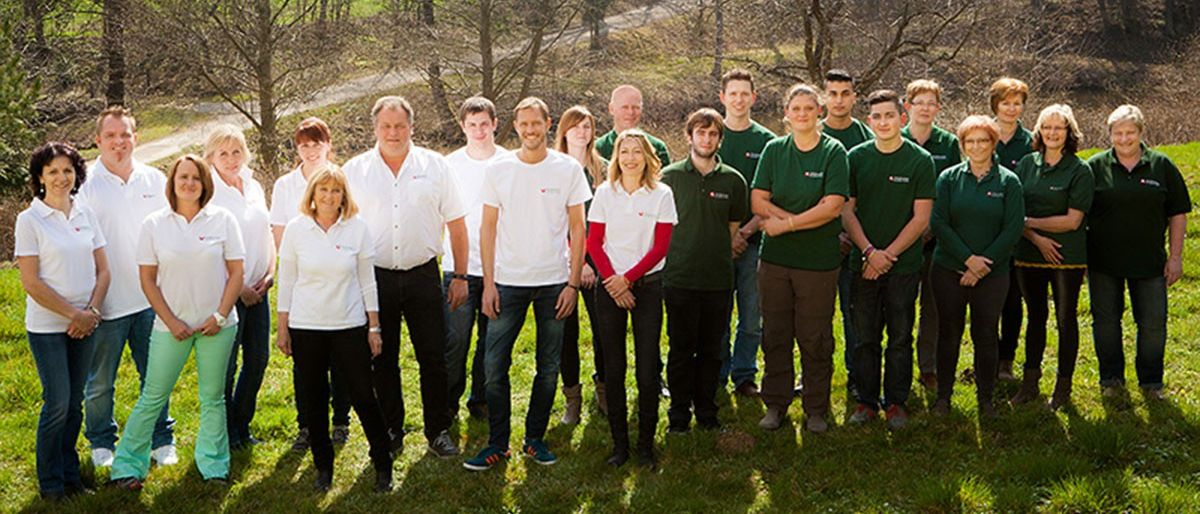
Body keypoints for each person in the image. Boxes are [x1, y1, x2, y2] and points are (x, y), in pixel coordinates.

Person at [464, 97, 590, 471]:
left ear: (548, 124)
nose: (531, 130)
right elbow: (487, 228)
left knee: (548, 366)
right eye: (524, 124)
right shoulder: (499, 170)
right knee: (493, 365)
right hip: (508, 283)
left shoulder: (567, 169)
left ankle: (535, 438)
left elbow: (578, 227)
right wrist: (488, 283)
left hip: (554, 283)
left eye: (537, 123)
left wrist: (572, 283)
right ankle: (498, 443)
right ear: (516, 127)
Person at [109, 155, 245, 489]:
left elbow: (236, 272)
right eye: (182, 177)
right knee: (152, 396)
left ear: (205, 184)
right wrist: (170, 321)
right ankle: (126, 467)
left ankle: (214, 467)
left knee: (213, 397)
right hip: (170, 327)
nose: (189, 183)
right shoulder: (154, 224)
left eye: (196, 178)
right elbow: (148, 280)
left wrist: (219, 316)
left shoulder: (223, 219)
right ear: (172, 183)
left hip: (218, 326)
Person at [344, 96, 464, 458]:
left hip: (424, 274)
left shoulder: (436, 166)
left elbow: (457, 224)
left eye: (400, 126)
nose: (393, 133)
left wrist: (459, 274)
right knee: (383, 357)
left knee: (433, 356)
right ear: (375, 128)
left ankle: (438, 429)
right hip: (375, 277)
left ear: (411, 127)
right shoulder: (355, 170)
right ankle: (392, 429)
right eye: (386, 126)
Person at [275, 166, 394, 493]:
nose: (329, 197)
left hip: (349, 325)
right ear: (312, 194)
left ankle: (383, 462)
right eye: (323, 190)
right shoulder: (297, 230)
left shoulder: (357, 229)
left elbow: (367, 280)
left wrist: (374, 326)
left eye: (336, 190)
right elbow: (286, 281)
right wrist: (282, 327)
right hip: (306, 326)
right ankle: (323, 467)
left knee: (362, 396)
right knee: (314, 400)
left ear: (344, 196)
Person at [77, 106, 176, 469]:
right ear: (98, 140)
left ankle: (161, 437)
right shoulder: (84, 184)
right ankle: (102, 440)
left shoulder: (154, 180)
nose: (119, 143)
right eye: (111, 136)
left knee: (156, 375)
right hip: (105, 302)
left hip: (152, 300)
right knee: (100, 382)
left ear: (136, 138)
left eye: (125, 135)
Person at [16, 142, 110, 501]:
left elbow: (103, 270)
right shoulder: (30, 220)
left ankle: (72, 477)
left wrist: (92, 313)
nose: (60, 177)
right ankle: (51, 484)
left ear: (76, 174)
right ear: (40, 177)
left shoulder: (85, 214)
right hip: (48, 327)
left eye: (67, 170)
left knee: (75, 404)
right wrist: (75, 315)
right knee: (57, 402)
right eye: (52, 171)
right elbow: (31, 283)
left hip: (86, 322)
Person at [753, 85, 849, 433]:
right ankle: (776, 404)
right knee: (775, 333)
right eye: (796, 108)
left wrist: (787, 224)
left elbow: (832, 206)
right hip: (776, 261)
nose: (803, 114)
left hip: (817, 263)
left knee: (815, 336)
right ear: (786, 114)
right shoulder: (774, 150)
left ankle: (816, 408)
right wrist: (784, 224)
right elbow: (758, 201)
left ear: (819, 113)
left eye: (810, 108)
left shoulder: (833, 152)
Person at [842, 90, 935, 430]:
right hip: (863, 264)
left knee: (899, 337)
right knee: (865, 337)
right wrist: (869, 252)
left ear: (902, 117)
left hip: (904, 266)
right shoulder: (855, 157)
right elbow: (846, 210)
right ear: (870, 121)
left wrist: (888, 255)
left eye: (889, 116)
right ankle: (866, 402)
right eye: (877, 117)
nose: (883, 122)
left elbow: (922, 219)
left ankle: (896, 402)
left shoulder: (920, 161)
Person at [1086, 105, 1190, 400]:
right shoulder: (1095, 167)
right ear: (1110, 135)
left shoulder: (1161, 166)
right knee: (1105, 322)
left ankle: (1151, 382)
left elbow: (1178, 213)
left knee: (1153, 324)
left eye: (1130, 132)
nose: (1124, 138)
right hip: (1103, 262)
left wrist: (1176, 257)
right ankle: (1111, 380)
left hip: (1149, 262)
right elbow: (1080, 214)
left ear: (1141, 133)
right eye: (1117, 133)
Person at [587, 129, 676, 468]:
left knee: (647, 367)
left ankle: (645, 447)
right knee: (613, 366)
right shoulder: (604, 193)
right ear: (616, 157)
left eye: (637, 151)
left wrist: (629, 280)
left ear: (648, 157)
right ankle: (619, 445)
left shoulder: (662, 194)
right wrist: (614, 282)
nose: (630, 158)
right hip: (610, 287)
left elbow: (661, 247)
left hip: (648, 286)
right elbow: (595, 243)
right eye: (624, 151)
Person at [929, 116, 1024, 418]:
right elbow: (939, 222)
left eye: (983, 140)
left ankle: (986, 400)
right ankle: (943, 398)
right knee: (949, 332)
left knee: (986, 333)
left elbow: (1012, 229)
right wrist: (968, 260)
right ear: (962, 145)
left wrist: (983, 264)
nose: (977, 146)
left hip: (992, 273)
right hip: (948, 269)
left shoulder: (1008, 181)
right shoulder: (948, 178)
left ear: (993, 143)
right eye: (970, 141)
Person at [660, 108, 747, 434]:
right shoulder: (669, 177)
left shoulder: (733, 180)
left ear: (719, 139)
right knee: (681, 348)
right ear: (689, 136)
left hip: (717, 279)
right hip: (679, 276)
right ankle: (679, 414)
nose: (706, 139)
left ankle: (708, 412)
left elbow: (732, 227)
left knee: (712, 350)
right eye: (701, 133)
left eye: (713, 134)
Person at [268, 117, 352, 451]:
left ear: (328, 144)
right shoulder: (285, 185)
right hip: (303, 283)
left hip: (340, 283)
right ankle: (306, 425)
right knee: (306, 363)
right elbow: (278, 232)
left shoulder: (342, 179)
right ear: (297, 148)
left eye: (317, 143)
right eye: (304, 144)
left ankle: (341, 421)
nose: (311, 150)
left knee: (341, 359)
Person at [1011, 104, 1092, 409]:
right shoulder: (1027, 165)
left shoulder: (1079, 170)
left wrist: (1029, 224)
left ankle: (1063, 389)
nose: (1052, 133)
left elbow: (1072, 221)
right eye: (1047, 127)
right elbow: (1015, 212)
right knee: (1035, 318)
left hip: (1066, 256)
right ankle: (1029, 384)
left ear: (1069, 132)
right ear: (1039, 130)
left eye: (1059, 127)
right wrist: (1035, 237)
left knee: (1065, 318)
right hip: (1028, 252)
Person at [203, 126, 274, 450]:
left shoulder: (254, 185)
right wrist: (240, 286)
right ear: (211, 158)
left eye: (236, 152)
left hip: (260, 291)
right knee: (226, 365)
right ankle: (223, 434)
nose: (231, 160)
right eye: (223, 153)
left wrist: (271, 273)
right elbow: (209, 247)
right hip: (228, 293)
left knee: (258, 359)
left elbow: (266, 233)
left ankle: (242, 426)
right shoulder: (209, 192)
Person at [443, 97, 511, 422]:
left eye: (485, 123)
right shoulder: (449, 164)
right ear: (462, 127)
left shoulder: (510, 162)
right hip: (459, 268)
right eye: (472, 125)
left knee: (491, 341)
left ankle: (480, 399)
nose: (479, 130)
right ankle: (447, 403)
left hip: (499, 269)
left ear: (495, 123)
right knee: (455, 341)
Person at [716, 68, 775, 399]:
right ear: (722, 97)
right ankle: (718, 372)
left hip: (755, 243)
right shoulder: (711, 133)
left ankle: (744, 375)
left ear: (754, 97)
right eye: (732, 93)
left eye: (744, 93)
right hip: (716, 247)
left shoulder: (766, 141)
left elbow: (769, 195)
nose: (738, 100)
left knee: (752, 316)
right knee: (719, 315)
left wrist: (744, 233)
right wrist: (726, 238)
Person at [901, 79, 962, 393]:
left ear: (938, 107)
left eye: (931, 102)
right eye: (918, 102)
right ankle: (898, 365)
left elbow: (952, 191)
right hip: (900, 238)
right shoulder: (894, 139)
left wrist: (930, 227)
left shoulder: (949, 144)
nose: (925, 108)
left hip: (936, 240)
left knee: (933, 307)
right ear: (907, 105)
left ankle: (928, 367)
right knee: (900, 306)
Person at [821, 69, 873, 401]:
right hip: (818, 244)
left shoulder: (868, 137)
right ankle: (816, 377)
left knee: (855, 316)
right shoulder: (811, 134)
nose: (839, 100)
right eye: (833, 93)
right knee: (815, 318)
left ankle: (857, 377)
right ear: (824, 96)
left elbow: (869, 196)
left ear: (855, 96)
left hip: (856, 246)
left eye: (846, 93)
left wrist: (853, 237)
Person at [554, 105, 607, 423]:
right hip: (562, 260)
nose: (582, 132)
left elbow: (606, 219)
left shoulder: (604, 168)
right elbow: (553, 221)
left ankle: (604, 392)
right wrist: (578, 262)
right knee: (565, 333)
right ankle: (571, 398)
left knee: (604, 330)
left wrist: (591, 261)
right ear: (563, 131)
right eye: (575, 127)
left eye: (587, 127)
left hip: (600, 260)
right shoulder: (553, 167)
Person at [990, 77, 1033, 381]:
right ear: (995, 105)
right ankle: (987, 356)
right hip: (982, 230)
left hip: (1017, 234)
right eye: (1005, 102)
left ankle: (1006, 360)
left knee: (1012, 300)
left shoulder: (1032, 141)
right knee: (986, 300)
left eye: (1016, 103)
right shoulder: (981, 135)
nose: (1011, 108)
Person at [595, 85, 672, 167]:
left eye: (636, 107)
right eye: (625, 107)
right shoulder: (597, 148)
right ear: (611, 109)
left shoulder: (657, 147)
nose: (631, 112)